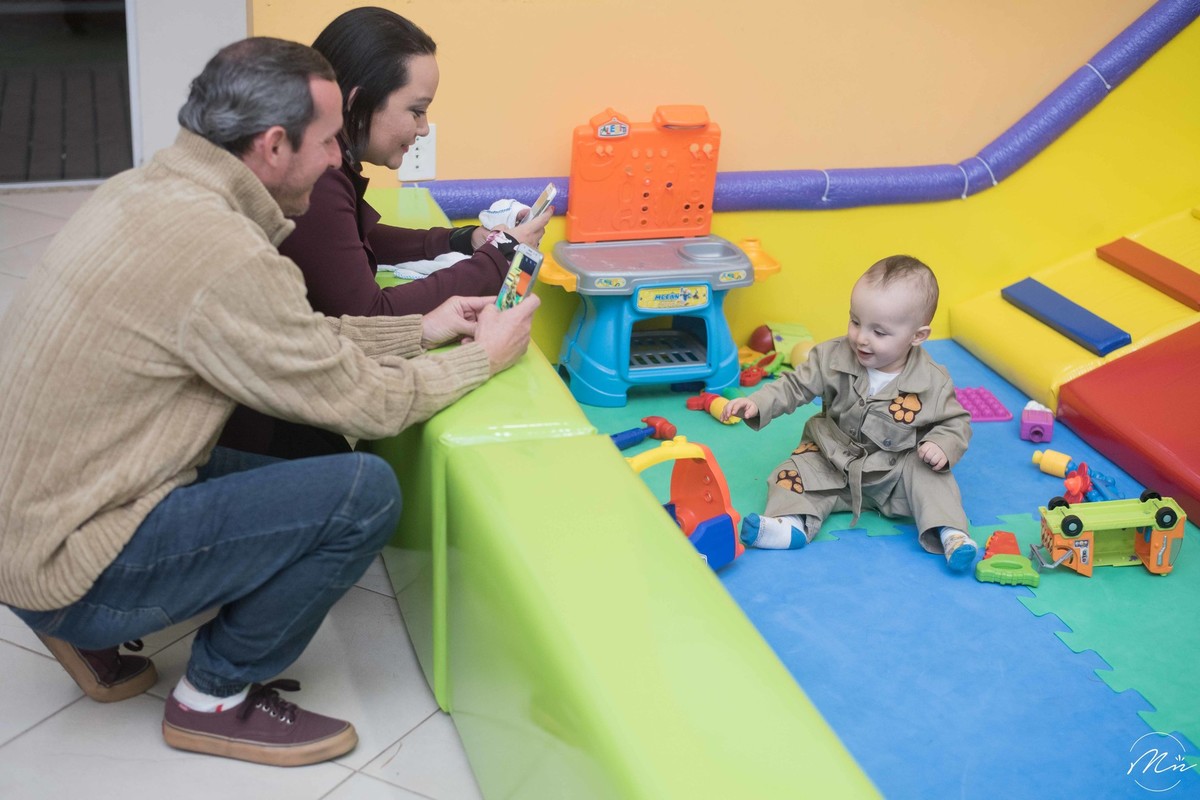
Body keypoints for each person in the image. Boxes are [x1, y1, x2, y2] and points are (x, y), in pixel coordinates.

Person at [0, 37, 538, 767]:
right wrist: (482, 358)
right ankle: (213, 696)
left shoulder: (148, 188)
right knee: (360, 490)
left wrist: (425, 326)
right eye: (325, 145)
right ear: (275, 145)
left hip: (32, 519)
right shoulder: (223, 250)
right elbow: (365, 405)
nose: (333, 164)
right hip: (67, 549)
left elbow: (292, 336)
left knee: (265, 457)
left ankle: (75, 617)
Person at [220, 6, 552, 458]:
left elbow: (350, 239)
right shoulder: (315, 173)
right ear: (356, 101)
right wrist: (497, 263)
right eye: (416, 111)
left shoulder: (319, 163)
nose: (423, 128)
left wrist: (462, 240)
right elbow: (369, 313)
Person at [721, 255, 979, 571]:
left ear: (918, 336)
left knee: (933, 477)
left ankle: (951, 533)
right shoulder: (831, 356)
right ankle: (791, 524)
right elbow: (794, 385)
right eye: (855, 321)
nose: (861, 338)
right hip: (830, 458)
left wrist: (941, 444)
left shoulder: (932, 381)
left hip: (893, 472)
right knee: (792, 471)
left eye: (880, 332)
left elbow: (956, 421)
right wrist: (759, 403)